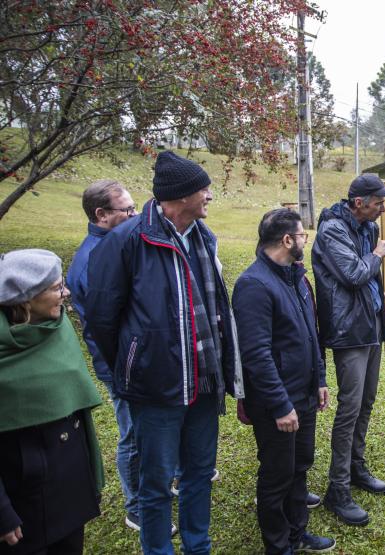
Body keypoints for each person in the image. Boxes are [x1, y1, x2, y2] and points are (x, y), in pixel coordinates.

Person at [86, 151, 244, 554]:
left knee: (199, 475)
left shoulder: (205, 238)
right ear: (179, 196)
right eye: (202, 189)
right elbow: (103, 321)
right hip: (156, 389)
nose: (209, 195)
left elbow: (216, 311)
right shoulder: (128, 240)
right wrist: (133, 367)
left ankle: (198, 547)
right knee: (155, 485)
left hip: (205, 384)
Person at [233, 209, 335, 554]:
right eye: (302, 235)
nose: (306, 239)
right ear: (287, 240)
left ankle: (297, 533)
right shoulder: (253, 285)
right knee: (277, 476)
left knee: (300, 467)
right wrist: (280, 406)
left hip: (305, 396)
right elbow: (257, 355)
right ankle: (278, 546)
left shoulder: (296, 277)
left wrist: (320, 379)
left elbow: (311, 334)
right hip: (278, 405)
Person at [0, 249, 104, 553]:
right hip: (21, 498)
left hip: (68, 480)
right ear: (26, 298)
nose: (67, 292)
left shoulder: (58, 328)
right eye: (57, 287)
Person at [312, 174, 385, 527]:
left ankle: (356, 467)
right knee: (350, 407)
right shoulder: (332, 230)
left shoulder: (368, 228)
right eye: (378, 202)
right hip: (349, 330)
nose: (383, 207)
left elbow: (370, 278)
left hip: (370, 322)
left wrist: (382, 292)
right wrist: (377, 257)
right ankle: (337, 488)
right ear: (359, 202)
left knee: (368, 400)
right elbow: (353, 273)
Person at [65, 179, 147, 533]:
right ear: (101, 215)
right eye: (126, 209)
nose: (133, 214)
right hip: (118, 365)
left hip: (134, 359)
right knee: (131, 434)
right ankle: (136, 507)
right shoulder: (91, 260)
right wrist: (122, 368)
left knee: (147, 428)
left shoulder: (119, 242)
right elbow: (100, 329)